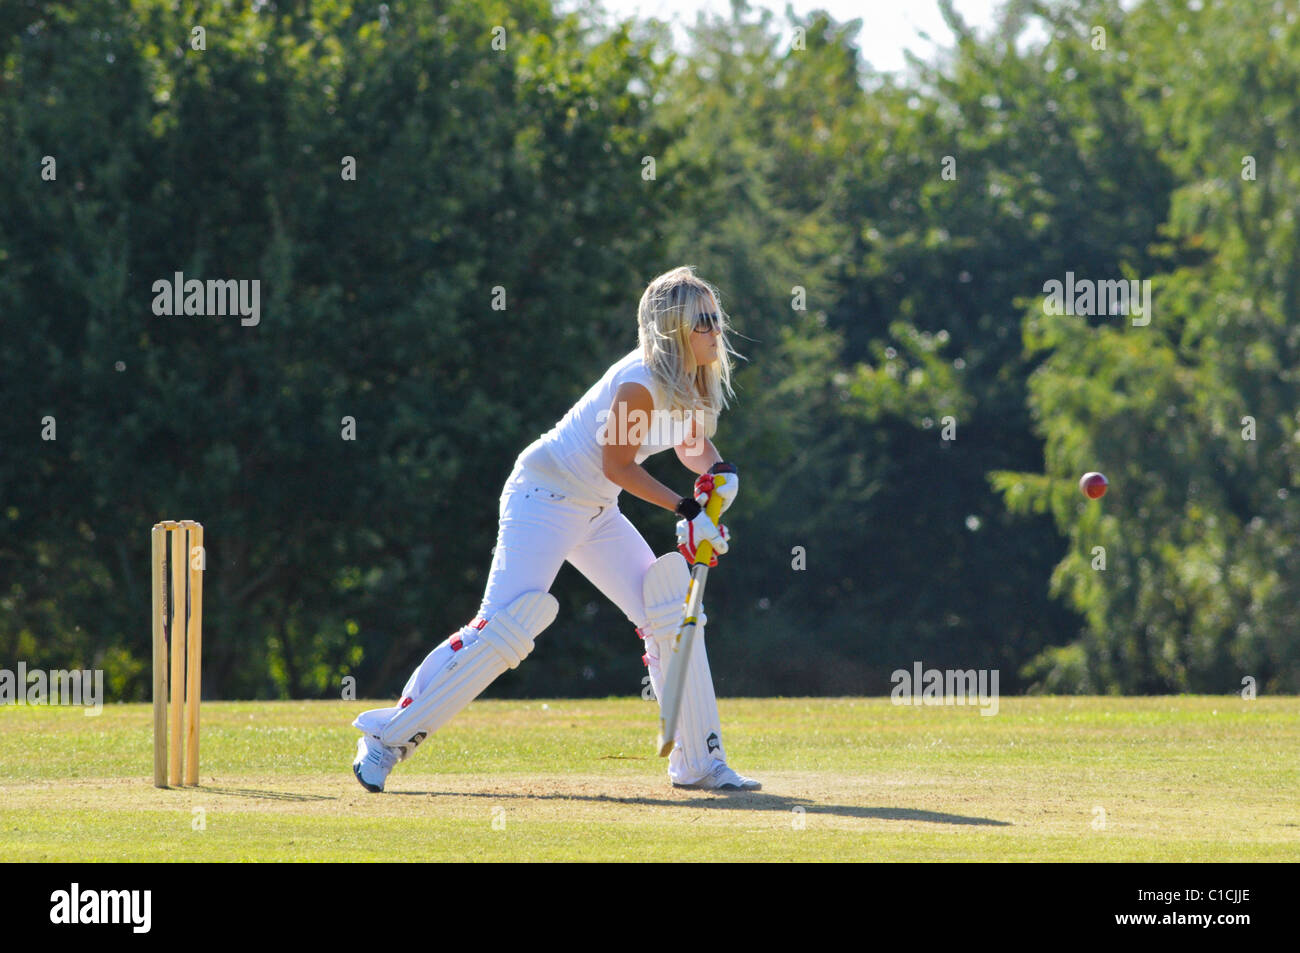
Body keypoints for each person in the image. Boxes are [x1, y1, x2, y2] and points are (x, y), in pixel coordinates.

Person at [352, 266, 759, 792]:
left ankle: (700, 764)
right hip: (543, 496)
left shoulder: (695, 383)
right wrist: (687, 511)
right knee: (505, 628)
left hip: (596, 510)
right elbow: (619, 466)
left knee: (669, 612)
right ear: (672, 328)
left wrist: (720, 480)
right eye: (702, 320)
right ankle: (386, 739)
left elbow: (690, 447)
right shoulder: (639, 385)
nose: (715, 329)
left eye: (716, 317)